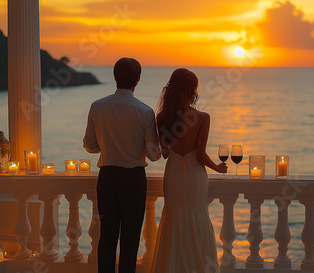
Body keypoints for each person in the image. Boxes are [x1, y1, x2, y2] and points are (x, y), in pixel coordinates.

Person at [83, 57, 161, 273]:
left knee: (106, 235)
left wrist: (108, 146)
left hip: (107, 178)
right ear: (138, 79)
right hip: (134, 180)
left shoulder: (97, 106)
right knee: (131, 237)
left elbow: (89, 144)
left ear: (114, 77)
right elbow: (154, 155)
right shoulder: (145, 111)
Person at [151, 68, 227, 273]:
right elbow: (200, 155)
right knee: (197, 220)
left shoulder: (162, 117)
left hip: (173, 175)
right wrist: (218, 168)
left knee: (174, 221)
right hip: (195, 178)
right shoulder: (202, 117)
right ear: (193, 91)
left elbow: (165, 154)